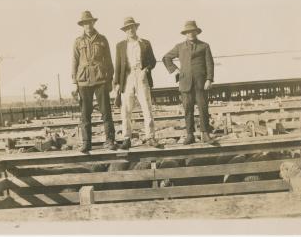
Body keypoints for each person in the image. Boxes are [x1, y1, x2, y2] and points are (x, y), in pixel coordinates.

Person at [162, 20, 215, 144]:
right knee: (188, 109)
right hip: (185, 83)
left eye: (192, 31)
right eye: (188, 32)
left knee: (203, 108)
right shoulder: (179, 47)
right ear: (185, 34)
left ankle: (205, 134)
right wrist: (175, 71)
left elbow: (209, 64)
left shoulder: (204, 46)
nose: (190, 33)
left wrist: (209, 79)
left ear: (196, 32)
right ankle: (190, 135)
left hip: (200, 83)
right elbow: (166, 58)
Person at [71, 11, 116, 153]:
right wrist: (74, 83)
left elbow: (109, 61)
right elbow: (74, 62)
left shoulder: (102, 39)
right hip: (83, 81)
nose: (88, 25)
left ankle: (109, 140)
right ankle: (86, 142)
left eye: (90, 22)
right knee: (85, 113)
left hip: (100, 79)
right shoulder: (78, 41)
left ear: (93, 23)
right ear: (82, 25)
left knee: (106, 112)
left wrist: (109, 80)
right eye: (85, 23)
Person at [113, 17, 160, 149]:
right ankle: (126, 138)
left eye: (132, 27)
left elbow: (153, 61)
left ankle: (150, 137)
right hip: (127, 78)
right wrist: (116, 83)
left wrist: (146, 70)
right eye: (127, 28)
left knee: (146, 107)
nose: (130, 30)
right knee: (126, 110)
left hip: (141, 75)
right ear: (125, 31)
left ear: (136, 28)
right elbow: (117, 65)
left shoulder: (145, 43)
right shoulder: (120, 45)